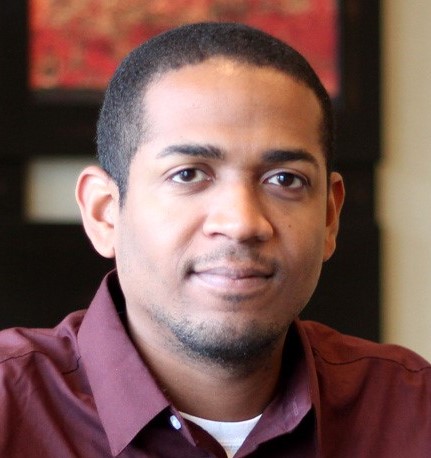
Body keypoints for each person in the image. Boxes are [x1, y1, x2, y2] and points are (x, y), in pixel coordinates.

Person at [0, 22, 430, 458]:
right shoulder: (9, 404)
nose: (242, 223)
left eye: (285, 179)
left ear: (329, 217)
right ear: (104, 212)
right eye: (188, 174)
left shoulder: (413, 411)